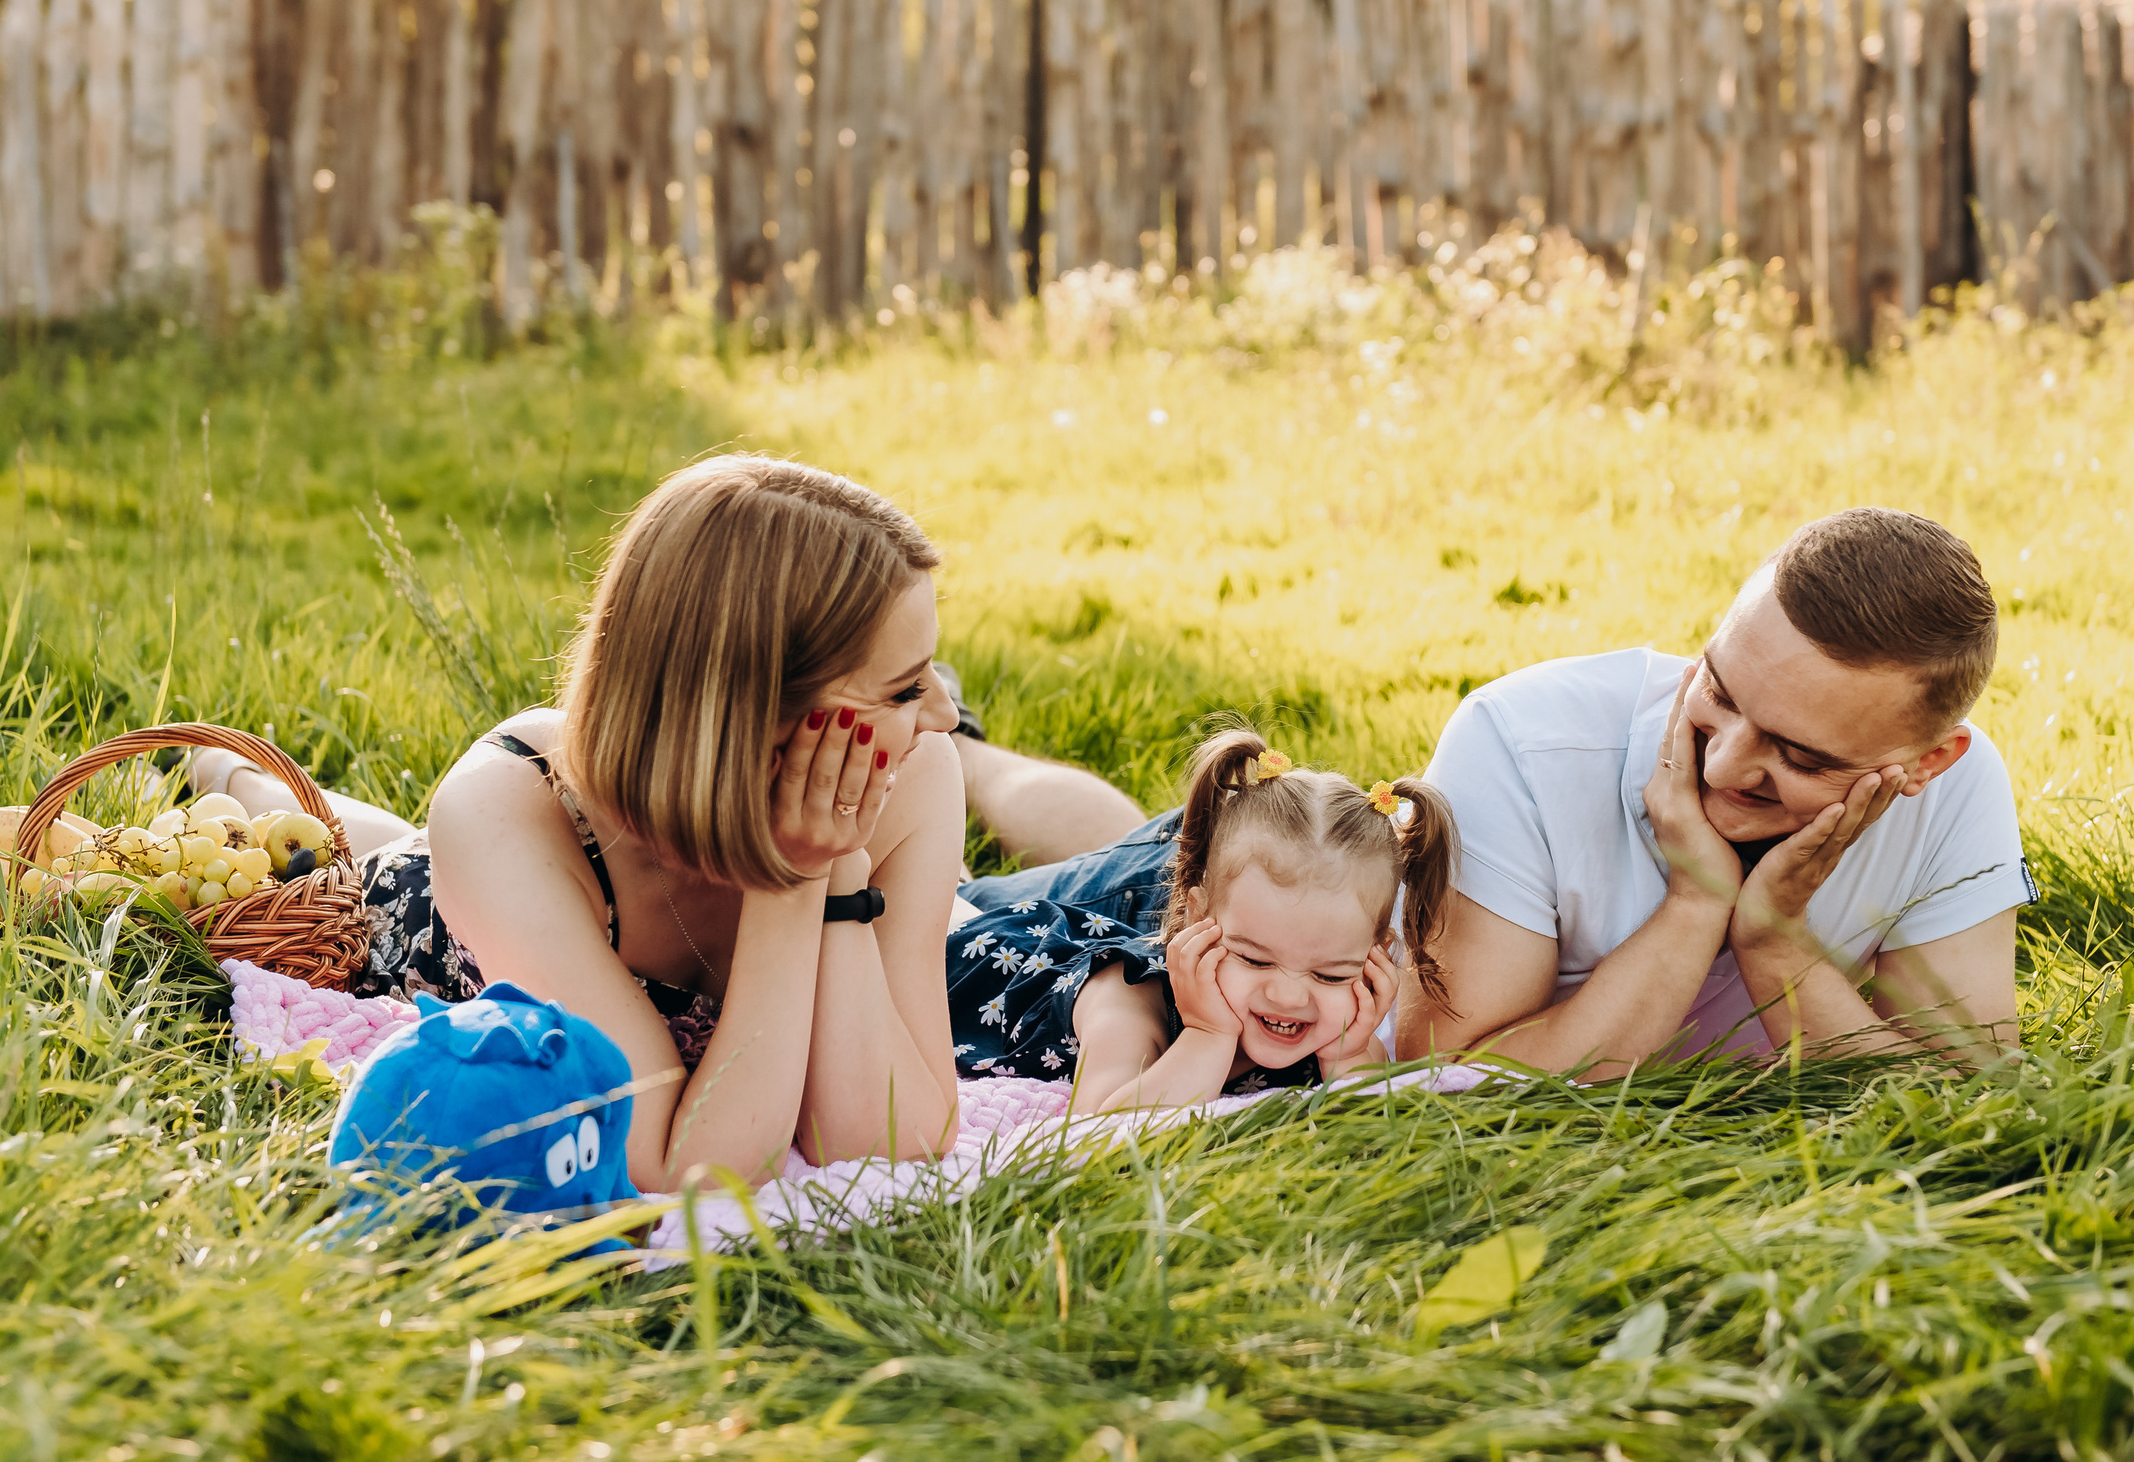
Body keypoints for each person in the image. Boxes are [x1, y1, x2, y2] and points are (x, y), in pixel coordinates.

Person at [187, 455, 968, 1190]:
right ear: (758, 718)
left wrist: (831, 872)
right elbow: (676, 1165)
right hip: (442, 909)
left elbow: (896, 1134)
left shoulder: (918, 775)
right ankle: (238, 777)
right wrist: (791, 876)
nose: (945, 712)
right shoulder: (505, 811)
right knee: (367, 857)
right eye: (902, 690)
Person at [1398, 506, 2029, 1075]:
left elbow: (1968, 1092)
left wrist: (1774, 939)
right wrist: (1695, 903)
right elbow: (1442, 1079)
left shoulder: (1959, 792)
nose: (1724, 766)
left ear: (1929, 761)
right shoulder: (1521, 744)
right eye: (1720, 693)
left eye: (1801, 757)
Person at [944, 727, 1455, 1108]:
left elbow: (1380, 1133)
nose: (1289, 995)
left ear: (1377, 957)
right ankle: (942, 752)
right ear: (1197, 917)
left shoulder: (1339, 1030)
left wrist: (1348, 1055)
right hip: (963, 956)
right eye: (1254, 960)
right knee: (923, 889)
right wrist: (1208, 1037)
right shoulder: (1128, 1002)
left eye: (1330, 974)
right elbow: (1097, 1138)